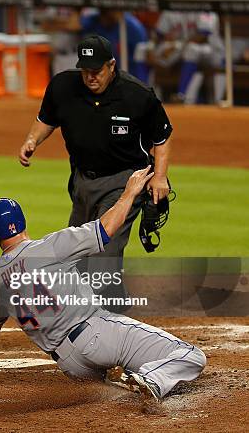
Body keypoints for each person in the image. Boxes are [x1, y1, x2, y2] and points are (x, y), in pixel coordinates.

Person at [0, 168, 207, 401]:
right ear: (22, 221)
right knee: (190, 356)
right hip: (96, 338)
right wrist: (129, 192)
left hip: (72, 366)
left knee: (113, 393)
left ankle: (129, 381)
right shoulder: (50, 247)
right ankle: (152, 380)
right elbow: (104, 229)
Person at [18, 35, 172, 314]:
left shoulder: (137, 95)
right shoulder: (64, 86)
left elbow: (161, 138)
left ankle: (112, 317)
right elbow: (46, 119)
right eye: (85, 70)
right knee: (74, 251)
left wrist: (159, 177)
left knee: (105, 251)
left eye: (97, 70)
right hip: (81, 181)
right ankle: (98, 305)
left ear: (111, 65)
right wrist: (32, 141)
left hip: (124, 181)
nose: (90, 77)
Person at [81, 9, 149, 82]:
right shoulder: (94, 20)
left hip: (128, 79)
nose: (104, 20)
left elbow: (141, 63)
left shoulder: (134, 28)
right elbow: (74, 25)